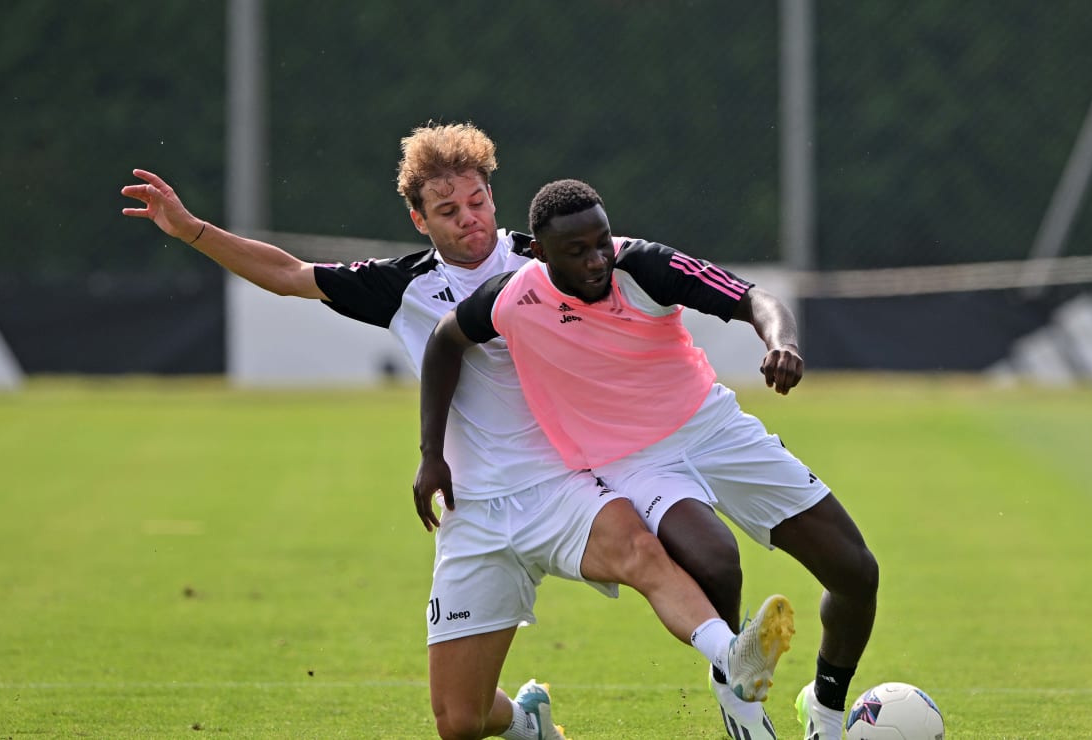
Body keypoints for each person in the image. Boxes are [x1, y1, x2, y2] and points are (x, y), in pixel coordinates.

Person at [120, 123, 793, 740]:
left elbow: (624, 285)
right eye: (447, 211)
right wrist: (192, 231)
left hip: (563, 487)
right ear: (418, 218)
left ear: (492, 197)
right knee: (459, 721)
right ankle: (527, 722)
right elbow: (289, 275)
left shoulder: (547, 259)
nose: (468, 220)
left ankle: (730, 659)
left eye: (476, 203)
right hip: (471, 511)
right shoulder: (403, 285)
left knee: (643, 554)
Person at [416, 178, 881, 740]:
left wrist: (781, 342)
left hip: (716, 430)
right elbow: (444, 341)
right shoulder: (514, 296)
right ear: (540, 254)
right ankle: (737, 687)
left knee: (856, 572)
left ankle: (826, 714)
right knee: (715, 559)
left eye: (602, 242)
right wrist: (431, 455)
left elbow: (754, 298)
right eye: (577, 251)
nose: (597, 260)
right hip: (634, 462)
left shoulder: (644, 266)